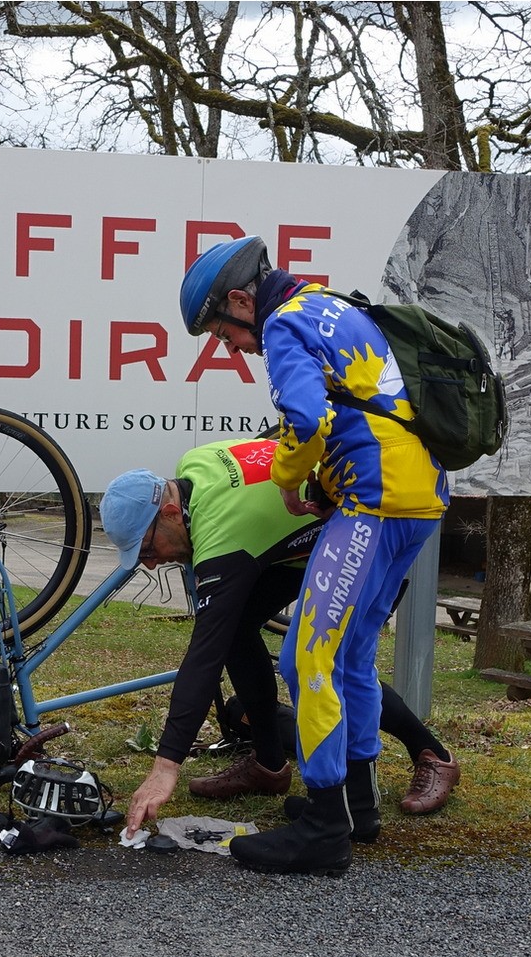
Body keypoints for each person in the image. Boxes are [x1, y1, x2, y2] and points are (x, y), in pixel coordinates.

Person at [176, 236, 450, 875]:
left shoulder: (282, 324)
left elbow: (306, 418)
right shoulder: (327, 303)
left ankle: (326, 828)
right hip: (421, 495)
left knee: (307, 656)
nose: (230, 347)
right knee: (352, 655)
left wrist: (289, 478)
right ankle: (358, 807)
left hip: (373, 500)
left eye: (222, 332)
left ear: (241, 300)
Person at [100, 440, 463, 844]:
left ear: (170, 512)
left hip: (373, 528)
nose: (151, 563)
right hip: (312, 538)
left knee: (329, 661)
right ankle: (270, 765)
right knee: (235, 627)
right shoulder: (195, 464)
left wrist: (166, 765)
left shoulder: (221, 536)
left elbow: (203, 658)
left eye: (147, 548)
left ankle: (429, 755)